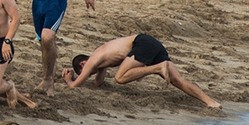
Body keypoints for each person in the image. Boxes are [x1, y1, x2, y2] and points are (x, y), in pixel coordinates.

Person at [62, 34, 221, 108]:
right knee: (177, 81)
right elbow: (98, 83)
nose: (89, 73)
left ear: (83, 64)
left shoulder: (93, 59)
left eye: (86, 72)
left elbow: (76, 85)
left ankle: (157, 67)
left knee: (120, 78)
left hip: (141, 43)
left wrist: (70, 80)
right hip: (150, 43)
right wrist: (90, 80)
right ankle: (211, 102)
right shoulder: (102, 62)